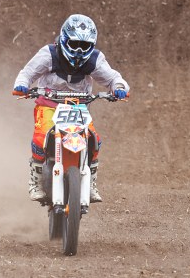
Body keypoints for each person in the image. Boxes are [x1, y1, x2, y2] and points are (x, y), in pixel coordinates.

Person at [13, 14, 129, 203]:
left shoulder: (94, 59)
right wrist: (22, 85)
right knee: (41, 137)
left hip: (78, 108)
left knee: (94, 140)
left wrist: (119, 88)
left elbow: (113, 78)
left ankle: (90, 183)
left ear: (91, 45)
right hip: (49, 105)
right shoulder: (49, 54)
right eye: (74, 44)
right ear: (64, 39)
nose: (78, 50)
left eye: (84, 46)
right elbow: (27, 72)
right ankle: (36, 182)